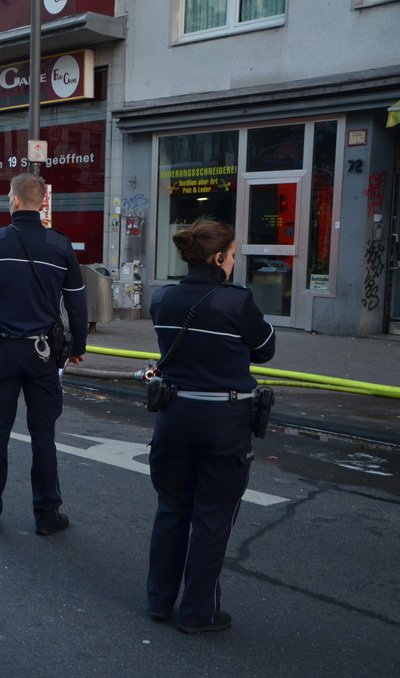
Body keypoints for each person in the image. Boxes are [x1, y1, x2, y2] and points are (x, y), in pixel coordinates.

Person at [145, 220, 276, 634]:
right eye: (233, 256)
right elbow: (266, 350)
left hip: (174, 418)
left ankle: (159, 601)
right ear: (218, 258)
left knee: (171, 509)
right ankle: (198, 612)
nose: (234, 263)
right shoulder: (236, 302)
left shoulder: (163, 299)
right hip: (224, 421)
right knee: (213, 518)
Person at [0, 173, 88, 535]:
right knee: (43, 436)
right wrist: (77, 346)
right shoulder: (61, 247)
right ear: (42, 202)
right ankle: (47, 516)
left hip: (3, 351)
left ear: (14, 201)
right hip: (44, 355)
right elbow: (77, 305)